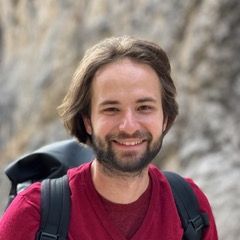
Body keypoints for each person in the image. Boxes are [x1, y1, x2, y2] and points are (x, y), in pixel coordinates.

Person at [0, 36, 218, 239]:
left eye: (144, 107)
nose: (129, 126)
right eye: (111, 109)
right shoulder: (31, 216)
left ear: (165, 117)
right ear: (87, 120)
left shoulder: (191, 209)